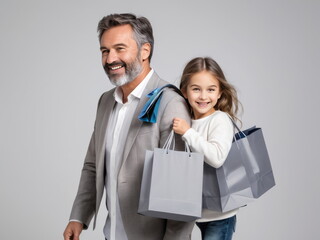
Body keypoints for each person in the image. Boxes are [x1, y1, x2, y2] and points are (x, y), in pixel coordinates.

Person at [63, 13, 194, 240]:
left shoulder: (170, 102)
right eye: (105, 51)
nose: (110, 58)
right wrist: (78, 217)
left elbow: (181, 194)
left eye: (120, 48)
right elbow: (93, 165)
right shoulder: (105, 101)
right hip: (111, 234)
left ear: (145, 51)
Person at [172, 57, 241, 240]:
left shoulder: (220, 120)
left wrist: (188, 133)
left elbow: (216, 157)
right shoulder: (186, 119)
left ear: (219, 93)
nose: (203, 96)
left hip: (219, 214)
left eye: (211, 90)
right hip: (195, 210)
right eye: (196, 89)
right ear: (184, 92)